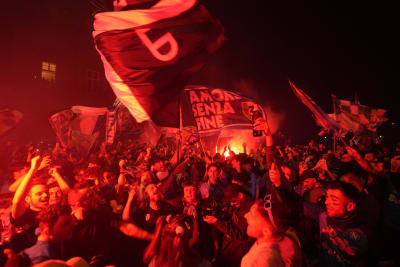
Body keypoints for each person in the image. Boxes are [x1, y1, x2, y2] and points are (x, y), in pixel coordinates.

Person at [241, 197, 303, 267]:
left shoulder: (258, 262)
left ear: (266, 232)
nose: (245, 215)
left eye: (252, 215)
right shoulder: (289, 238)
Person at [143, 214, 211, 267]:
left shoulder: (155, 262)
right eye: (196, 231)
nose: (198, 233)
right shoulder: (203, 265)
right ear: (190, 238)